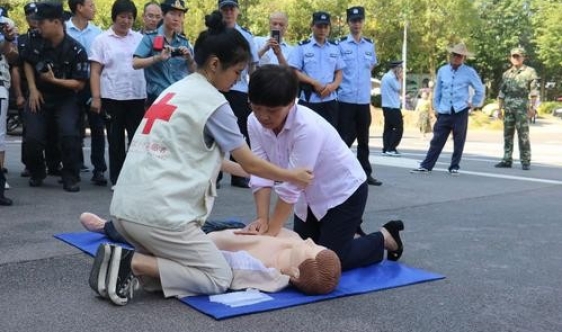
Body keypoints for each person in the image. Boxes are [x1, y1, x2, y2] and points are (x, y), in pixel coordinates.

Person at [88, 11, 313, 306]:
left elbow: (217, 161)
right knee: (218, 276)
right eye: (237, 72)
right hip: (160, 218)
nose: (239, 79)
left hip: (125, 211)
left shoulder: (175, 91)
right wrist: (291, 175)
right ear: (215, 64)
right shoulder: (214, 104)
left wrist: (264, 174)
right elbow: (249, 162)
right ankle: (133, 263)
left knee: (175, 274)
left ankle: (128, 266)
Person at [241, 65, 404, 271]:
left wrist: (270, 233)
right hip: (307, 198)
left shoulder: (307, 127)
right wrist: (262, 219)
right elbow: (261, 171)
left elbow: (292, 186)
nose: (263, 117)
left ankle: (384, 238)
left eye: (272, 111)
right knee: (302, 254)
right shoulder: (253, 121)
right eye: (256, 108)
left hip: (342, 192)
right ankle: (349, 233)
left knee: (327, 261)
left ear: (291, 103)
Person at [80, 213, 341, 295]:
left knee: (156, 231)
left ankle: (108, 227)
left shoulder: (269, 273)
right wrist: (258, 226)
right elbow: (272, 227)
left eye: (311, 248)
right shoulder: (294, 242)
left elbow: (226, 269)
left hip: (204, 242)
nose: (309, 240)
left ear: (295, 272)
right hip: (228, 228)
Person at [20, 2, 89, 192]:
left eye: (42, 22)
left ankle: (70, 176)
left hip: (66, 98)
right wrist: (33, 89)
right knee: (32, 139)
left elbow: (79, 84)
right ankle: (37, 172)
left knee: (69, 135)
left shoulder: (76, 50)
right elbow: (27, 61)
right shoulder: (35, 39)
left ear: (56, 22)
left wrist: (54, 80)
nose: (38, 26)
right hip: (40, 95)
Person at [89, 0, 146, 187]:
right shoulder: (102, 40)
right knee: (115, 140)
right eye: (122, 16)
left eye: (130, 17)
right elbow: (95, 71)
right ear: (115, 17)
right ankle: (118, 179)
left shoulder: (139, 39)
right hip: (112, 96)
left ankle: (135, 178)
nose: (126, 21)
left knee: (137, 140)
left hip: (137, 96)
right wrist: (96, 97)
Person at [411, 43, 484, 175]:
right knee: (437, 139)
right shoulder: (442, 70)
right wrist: (436, 107)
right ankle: (426, 165)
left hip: (460, 110)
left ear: (464, 58)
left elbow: (480, 89)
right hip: (444, 110)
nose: (457, 58)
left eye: (460, 56)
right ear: (451, 56)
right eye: (455, 55)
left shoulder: (469, 72)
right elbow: (438, 90)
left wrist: (474, 103)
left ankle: (454, 166)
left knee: (459, 139)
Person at [217, 0, 259, 189]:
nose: (228, 12)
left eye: (231, 9)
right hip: (216, 89)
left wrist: (254, 92)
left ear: (238, 11)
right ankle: (214, 174)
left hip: (239, 89)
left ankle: (239, 174)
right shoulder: (213, 33)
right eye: (225, 9)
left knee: (241, 131)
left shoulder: (246, 36)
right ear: (219, 11)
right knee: (213, 131)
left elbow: (253, 66)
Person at [337, 6, 381, 186]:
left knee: (364, 138)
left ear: (363, 22)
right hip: (345, 98)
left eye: (359, 20)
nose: (357, 24)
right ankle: (337, 171)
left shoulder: (369, 45)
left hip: (363, 100)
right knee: (342, 139)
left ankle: (365, 173)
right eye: (353, 21)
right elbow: (337, 70)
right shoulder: (340, 44)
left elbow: (370, 66)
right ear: (348, 23)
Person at [66, 0, 108, 185]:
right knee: (72, 129)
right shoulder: (64, 30)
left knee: (98, 128)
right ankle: (72, 168)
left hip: (93, 86)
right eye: (90, 5)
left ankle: (99, 169)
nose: (94, 9)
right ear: (79, 7)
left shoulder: (98, 33)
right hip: (70, 86)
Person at [288, 11, 344, 129]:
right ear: (312, 26)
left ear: (329, 28)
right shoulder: (302, 47)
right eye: (319, 26)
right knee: (307, 135)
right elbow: (293, 71)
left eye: (325, 27)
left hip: (330, 100)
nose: (322, 30)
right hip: (309, 100)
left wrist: (333, 86)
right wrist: (314, 83)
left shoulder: (335, 48)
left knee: (330, 137)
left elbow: (339, 72)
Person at [132, 0, 194, 106]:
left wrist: (189, 58)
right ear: (163, 15)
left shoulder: (184, 41)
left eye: (180, 15)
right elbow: (135, 63)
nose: (176, 18)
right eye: (172, 14)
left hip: (179, 96)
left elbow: (194, 71)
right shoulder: (150, 38)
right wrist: (158, 58)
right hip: (157, 97)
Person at [494, 47, 538, 171]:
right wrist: (499, 109)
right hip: (508, 108)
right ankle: (507, 159)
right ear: (510, 58)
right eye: (514, 56)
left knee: (523, 134)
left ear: (523, 57)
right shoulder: (506, 74)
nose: (516, 58)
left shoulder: (530, 72)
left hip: (522, 108)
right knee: (507, 134)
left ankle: (525, 160)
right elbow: (502, 92)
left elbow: (534, 91)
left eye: (518, 56)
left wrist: (533, 108)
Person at [380, 60, 403, 156]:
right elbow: (398, 88)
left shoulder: (385, 76)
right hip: (392, 106)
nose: (401, 70)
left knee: (388, 128)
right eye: (400, 67)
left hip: (386, 106)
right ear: (396, 68)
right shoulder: (391, 77)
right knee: (399, 128)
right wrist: (400, 78)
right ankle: (391, 148)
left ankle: (386, 148)